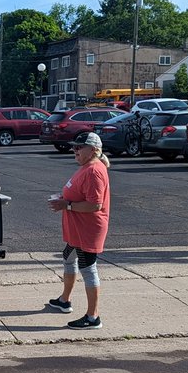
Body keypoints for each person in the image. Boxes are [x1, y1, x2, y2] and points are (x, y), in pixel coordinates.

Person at [45, 131, 111, 330]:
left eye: (79, 147)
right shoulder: (86, 167)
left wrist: (67, 205)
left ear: (93, 150)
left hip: (88, 228)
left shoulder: (94, 171)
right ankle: (64, 300)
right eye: (74, 146)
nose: (75, 150)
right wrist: (64, 200)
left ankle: (93, 317)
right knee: (68, 256)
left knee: (88, 269)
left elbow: (95, 205)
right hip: (78, 228)